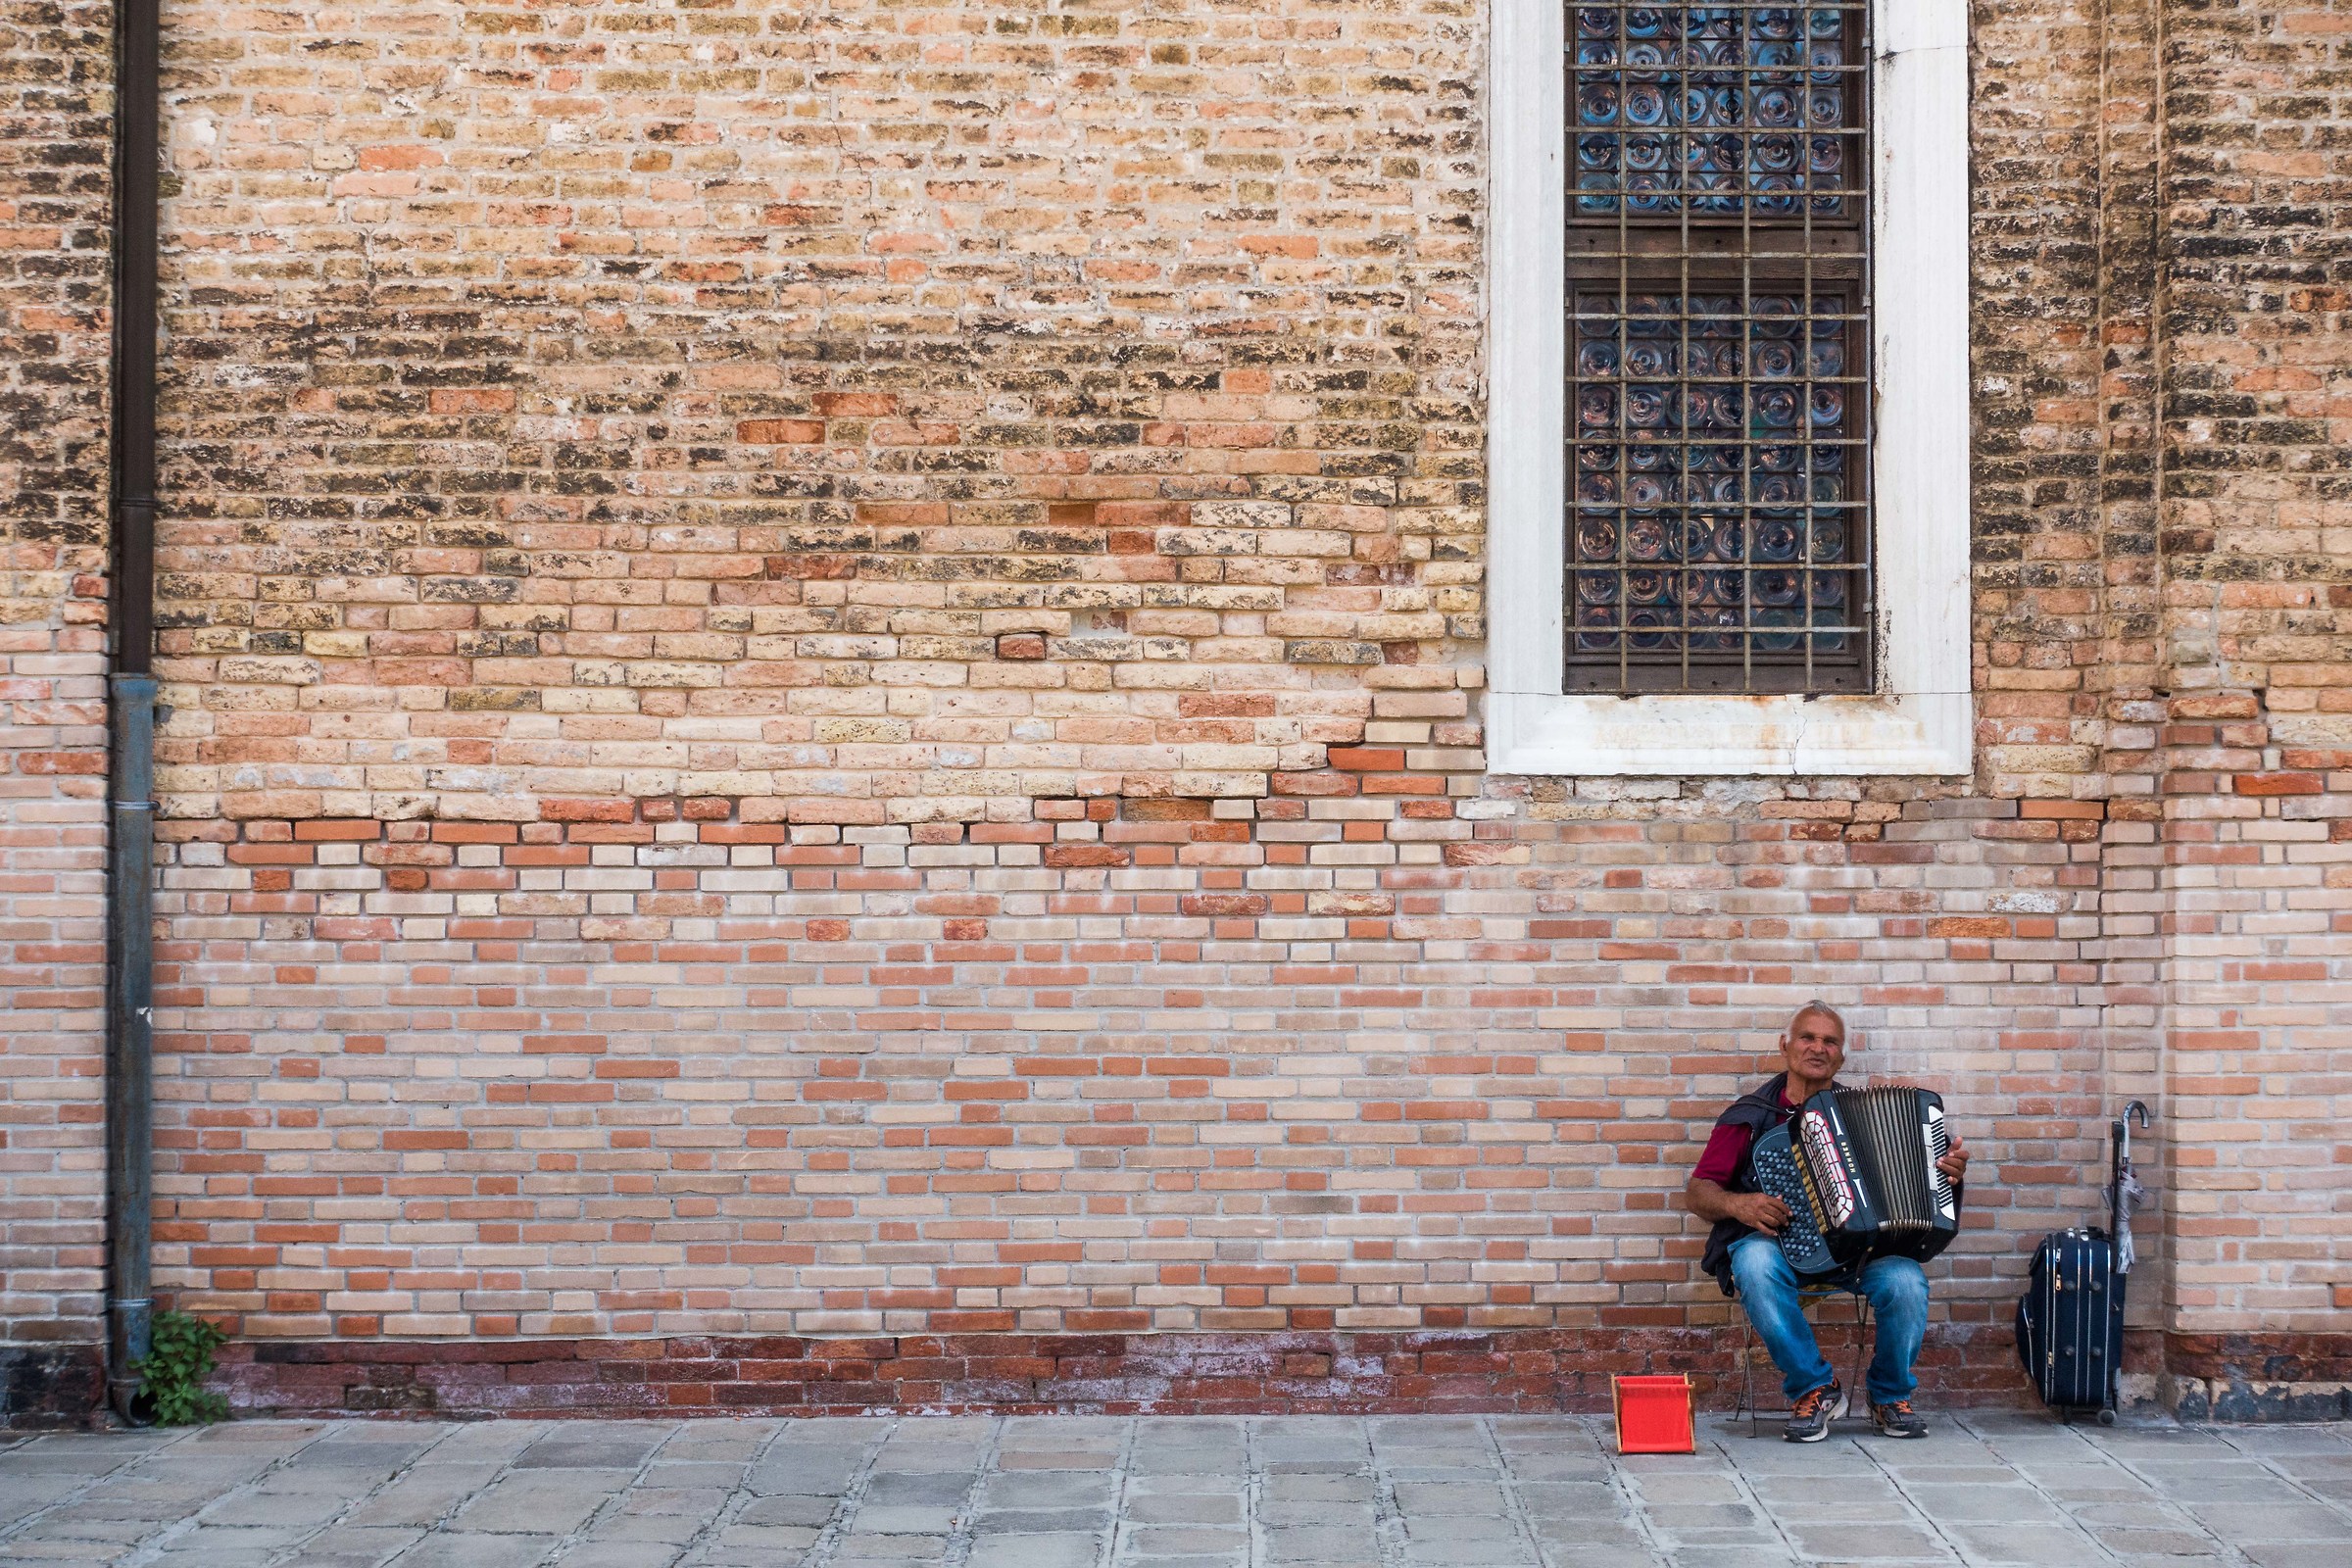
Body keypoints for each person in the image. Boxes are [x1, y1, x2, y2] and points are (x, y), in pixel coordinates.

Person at [1685, 1003, 1970, 1442]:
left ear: (1841, 1057)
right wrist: (1741, 1206)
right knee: (1754, 1266)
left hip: (1857, 1254)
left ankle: (1889, 1395)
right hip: (1775, 1250)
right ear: (1785, 1045)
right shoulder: (1751, 1114)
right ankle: (1814, 1388)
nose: (1817, 1048)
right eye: (1807, 1037)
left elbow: (1923, 1193)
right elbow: (1699, 1191)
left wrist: (1946, 1175)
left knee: (1906, 1281)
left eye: (1829, 1041)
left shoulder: (1862, 1116)